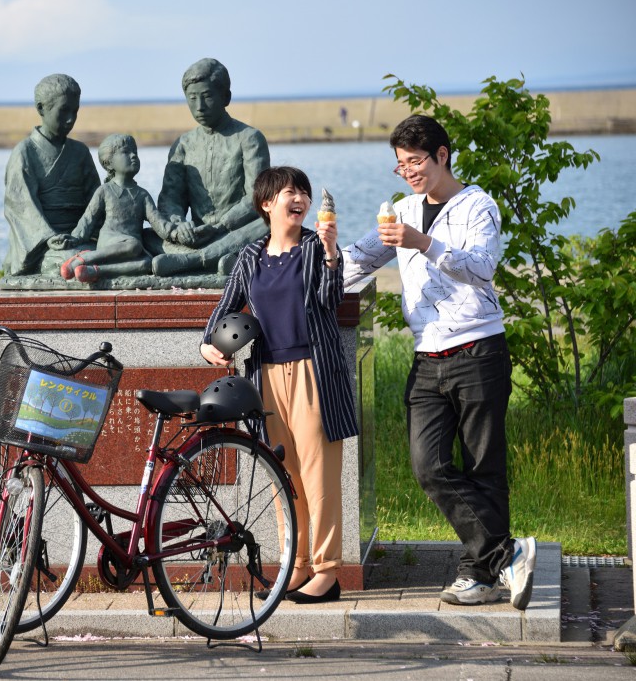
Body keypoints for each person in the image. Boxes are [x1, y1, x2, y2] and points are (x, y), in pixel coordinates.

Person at [343, 114, 537, 610]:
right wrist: (323, 255)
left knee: (483, 468)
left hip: (479, 350)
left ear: (442, 155)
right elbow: (360, 258)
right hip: (427, 356)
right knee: (428, 466)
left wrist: (424, 243)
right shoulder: (403, 209)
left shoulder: (478, 205)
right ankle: (507, 554)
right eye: (401, 165)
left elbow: (483, 266)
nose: (408, 172)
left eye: (415, 161)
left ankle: (480, 574)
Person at [201, 166, 358, 603]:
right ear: (267, 203)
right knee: (282, 476)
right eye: (290, 191)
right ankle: (297, 563)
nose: (300, 198)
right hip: (266, 376)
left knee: (317, 474)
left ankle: (327, 572)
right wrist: (207, 346)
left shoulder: (316, 247)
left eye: (304, 192)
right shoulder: (251, 255)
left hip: (314, 374)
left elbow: (331, 299)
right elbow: (226, 305)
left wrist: (330, 252)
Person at [150, 58, 270, 278]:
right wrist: (179, 225)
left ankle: (194, 260)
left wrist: (221, 226)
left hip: (236, 230)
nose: (199, 106)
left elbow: (257, 197)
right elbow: (170, 199)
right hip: (196, 234)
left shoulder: (249, 139)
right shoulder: (183, 145)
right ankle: (224, 259)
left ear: (226, 97)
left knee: (271, 224)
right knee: (143, 236)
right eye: (192, 98)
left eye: (206, 96)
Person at [2, 74, 101, 277]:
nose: (71, 119)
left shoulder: (80, 152)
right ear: (41, 108)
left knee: (125, 249)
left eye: (75, 111)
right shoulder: (25, 153)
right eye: (63, 110)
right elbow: (21, 208)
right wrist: (49, 237)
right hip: (45, 243)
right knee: (74, 258)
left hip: (81, 235)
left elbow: (96, 203)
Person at [58, 134, 173, 283]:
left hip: (131, 251)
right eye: (126, 152)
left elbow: (158, 223)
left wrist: (175, 232)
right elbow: (88, 219)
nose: (133, 156)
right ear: (109, 163)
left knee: (147, 263)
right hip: (110, 242)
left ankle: (93, 271)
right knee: (134, 244)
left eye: (135, 152)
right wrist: (74, 238)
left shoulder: (142, 195)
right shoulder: (105, 191)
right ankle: (84, 258)